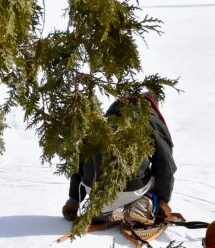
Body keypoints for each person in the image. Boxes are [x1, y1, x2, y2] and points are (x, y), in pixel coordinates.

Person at [64, 94, 176, 223]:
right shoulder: (150, 120)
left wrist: (74, 199)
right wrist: (163, 200)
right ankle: (141, 206)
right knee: (155, 172)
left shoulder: (102, 122)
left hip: (95, 191)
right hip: (132, 191)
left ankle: (101, 209)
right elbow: (165, 165)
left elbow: (80, 162)